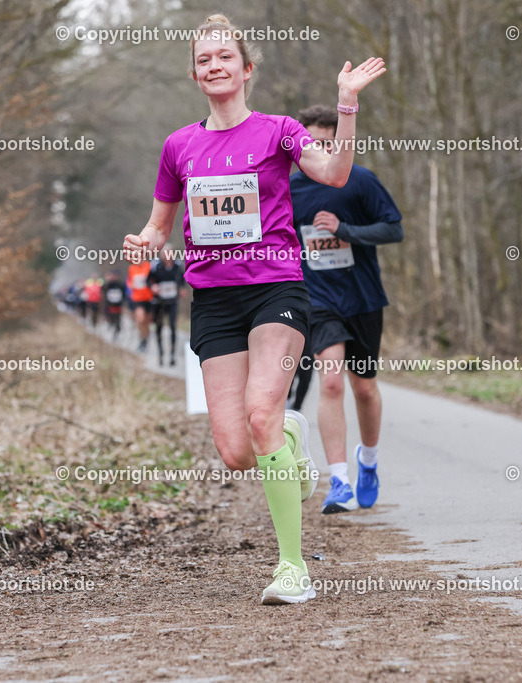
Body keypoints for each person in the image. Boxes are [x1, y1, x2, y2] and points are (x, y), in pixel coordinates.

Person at [123, 13, 385, 605]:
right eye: (203, 60)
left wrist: (346, 106)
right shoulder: (178, 146)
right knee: (236, 450)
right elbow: (160, 224)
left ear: (246, 68)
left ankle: (292, 569)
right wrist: (145, 242)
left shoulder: (279, 130)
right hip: (213, 297)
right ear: (195, 74)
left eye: (224, 56)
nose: (214, 66)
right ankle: (288, 434)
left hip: (276, 288)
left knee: (262, 412)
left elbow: (335, 171)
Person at [290, 104, 403, 515]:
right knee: (332, 383)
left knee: (364, 388)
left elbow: (394, 228)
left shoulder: (361, 181)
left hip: (363, 299)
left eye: (326, 142)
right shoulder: (290, 189)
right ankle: (338, 481)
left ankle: (367, 463)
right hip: (317, 299)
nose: (318, 150)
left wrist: (345, 230)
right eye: (310, 143)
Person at [148, 249, 186, 366]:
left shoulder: (177, 266)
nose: (167, 256)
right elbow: (148, 280)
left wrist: (183, 288)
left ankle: (172, 355)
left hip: (172, 301)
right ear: (162, 255)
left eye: (169, 253)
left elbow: (183, 278)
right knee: (158, 327)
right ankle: (160, 353)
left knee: (173, 327)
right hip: (159, 302)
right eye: (165, 254)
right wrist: (153, 286)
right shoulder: (156, 266)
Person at [127, 259, 156, 352]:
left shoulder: (149, 266)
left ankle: (145, 340)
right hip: (137, 298)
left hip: (149, 298)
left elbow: (154, 279)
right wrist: (131, 285)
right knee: (140, 319)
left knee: (147, 322)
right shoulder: (131, 268)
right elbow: (129, 281)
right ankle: (142, 339)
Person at [102, 270, 127, 339]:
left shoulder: (120, 284)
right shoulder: (108, 284)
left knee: (118, 317)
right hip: (110, 304)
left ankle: (118, 330)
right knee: (110, 316)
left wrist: (123, 302)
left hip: (118, 304)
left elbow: (124, 294)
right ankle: (111, 327)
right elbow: (103, 291)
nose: (114, 277)